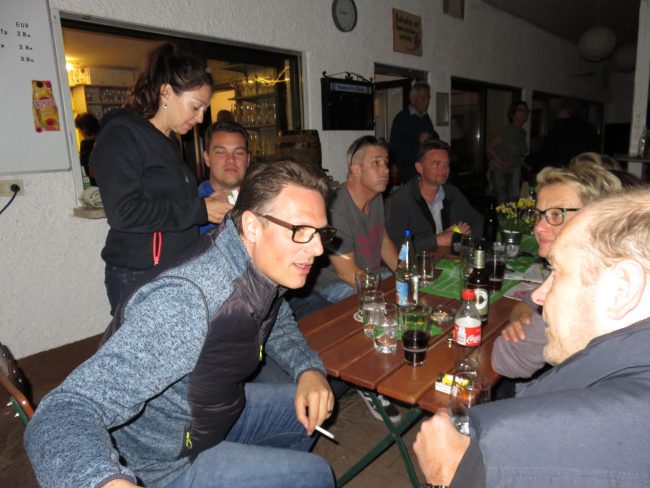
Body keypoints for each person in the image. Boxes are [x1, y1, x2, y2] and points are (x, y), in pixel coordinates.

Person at [24, 159, 336, 488]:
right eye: (301, 231)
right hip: (161, 460)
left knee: (305, 409)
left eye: (321, 233)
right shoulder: (188, 301)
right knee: (314, 475)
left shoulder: (258, 265)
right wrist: (104, 481)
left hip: (211, 413)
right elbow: (62, 411)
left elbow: (277, 316)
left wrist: (307, 368)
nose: (318, 249)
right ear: (253, 226)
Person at [414, 188, 650, 487]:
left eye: (558, 272)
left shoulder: (511, 443)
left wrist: (450, 475)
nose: (538, 295)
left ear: (622, 288)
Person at [92, 42, 226, 315]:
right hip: (139, 273)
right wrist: (200, 210)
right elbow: (124, 213)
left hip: (173, 268)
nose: (201, 118)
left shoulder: (168, 141)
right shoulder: (122, 135)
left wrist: (209, 204)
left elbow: (169, 203)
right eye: (196, 106)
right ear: (166, 91)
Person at [290, 135, 400, 423]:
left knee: (408, 293)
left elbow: (382, 239)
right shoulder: (336, 206)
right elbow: (346, 273)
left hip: (369, 275)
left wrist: (404, 274)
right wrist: (386, 292)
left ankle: (395, 364)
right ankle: (368, 381)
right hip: (334, 287)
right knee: (379, 308)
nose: (385, 170)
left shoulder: (376, 199)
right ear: (356, 169)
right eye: (377, 163)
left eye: (386, 163)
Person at [491, 161, 621, 379]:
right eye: (539, 215)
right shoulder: (595, 261)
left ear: (595, 218)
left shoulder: (585, 281)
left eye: (556, 215)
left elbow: (506, 361)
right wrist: (520, 320)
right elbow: (526, 304)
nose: (538, 227)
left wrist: (527, 327)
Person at [385, 139, 483, 251]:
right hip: (416, 261)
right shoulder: (399, 201)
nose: (444, 169)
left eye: (446, 164)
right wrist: (437, 240)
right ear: (419, 167)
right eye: (436, 164)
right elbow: (394, 246)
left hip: (449, 259)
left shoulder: (452, 193)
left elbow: (477, 221)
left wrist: (466, 236)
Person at [198, 121, 250, 234]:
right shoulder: (193, 210)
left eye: (239, 153)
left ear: (248, 160)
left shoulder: (260, 201)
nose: (231, 159)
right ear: (207, 158)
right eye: (221, 152)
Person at [528, 97, 600, 173]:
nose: (557, 114)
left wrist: (530, 161)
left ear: (564, 111)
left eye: (558, 111)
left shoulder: (560, 127)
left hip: (562, 171)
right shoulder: (589, 128)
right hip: (584, 171)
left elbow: (547, 152)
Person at [389, 81, 439, 183]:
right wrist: (418, 141)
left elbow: (433, 141)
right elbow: (394, 147)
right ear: (413, 99)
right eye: (423, 98)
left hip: (425, 171)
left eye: (428, 98)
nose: (426, 102)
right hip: (409, 173)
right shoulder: (402, 118)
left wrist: (431, 138)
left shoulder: (426, 118)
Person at [486, 100, 529, 203]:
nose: (524, 112)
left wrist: (526, 165)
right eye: (520, 110)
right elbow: (489, 147)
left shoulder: (523, 133)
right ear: (512, 114)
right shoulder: (507, 130)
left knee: (514, 200)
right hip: (500, 169)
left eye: (526, 110)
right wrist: (502, 162)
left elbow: (520, 154)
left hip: (514, 171)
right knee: (503, 201)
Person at [74, 112, 100, 185]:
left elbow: (84, 167)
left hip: (94, 183)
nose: (80, 132)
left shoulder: (86, 144)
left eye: (80, 129)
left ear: (85, 129)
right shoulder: (103, 138)